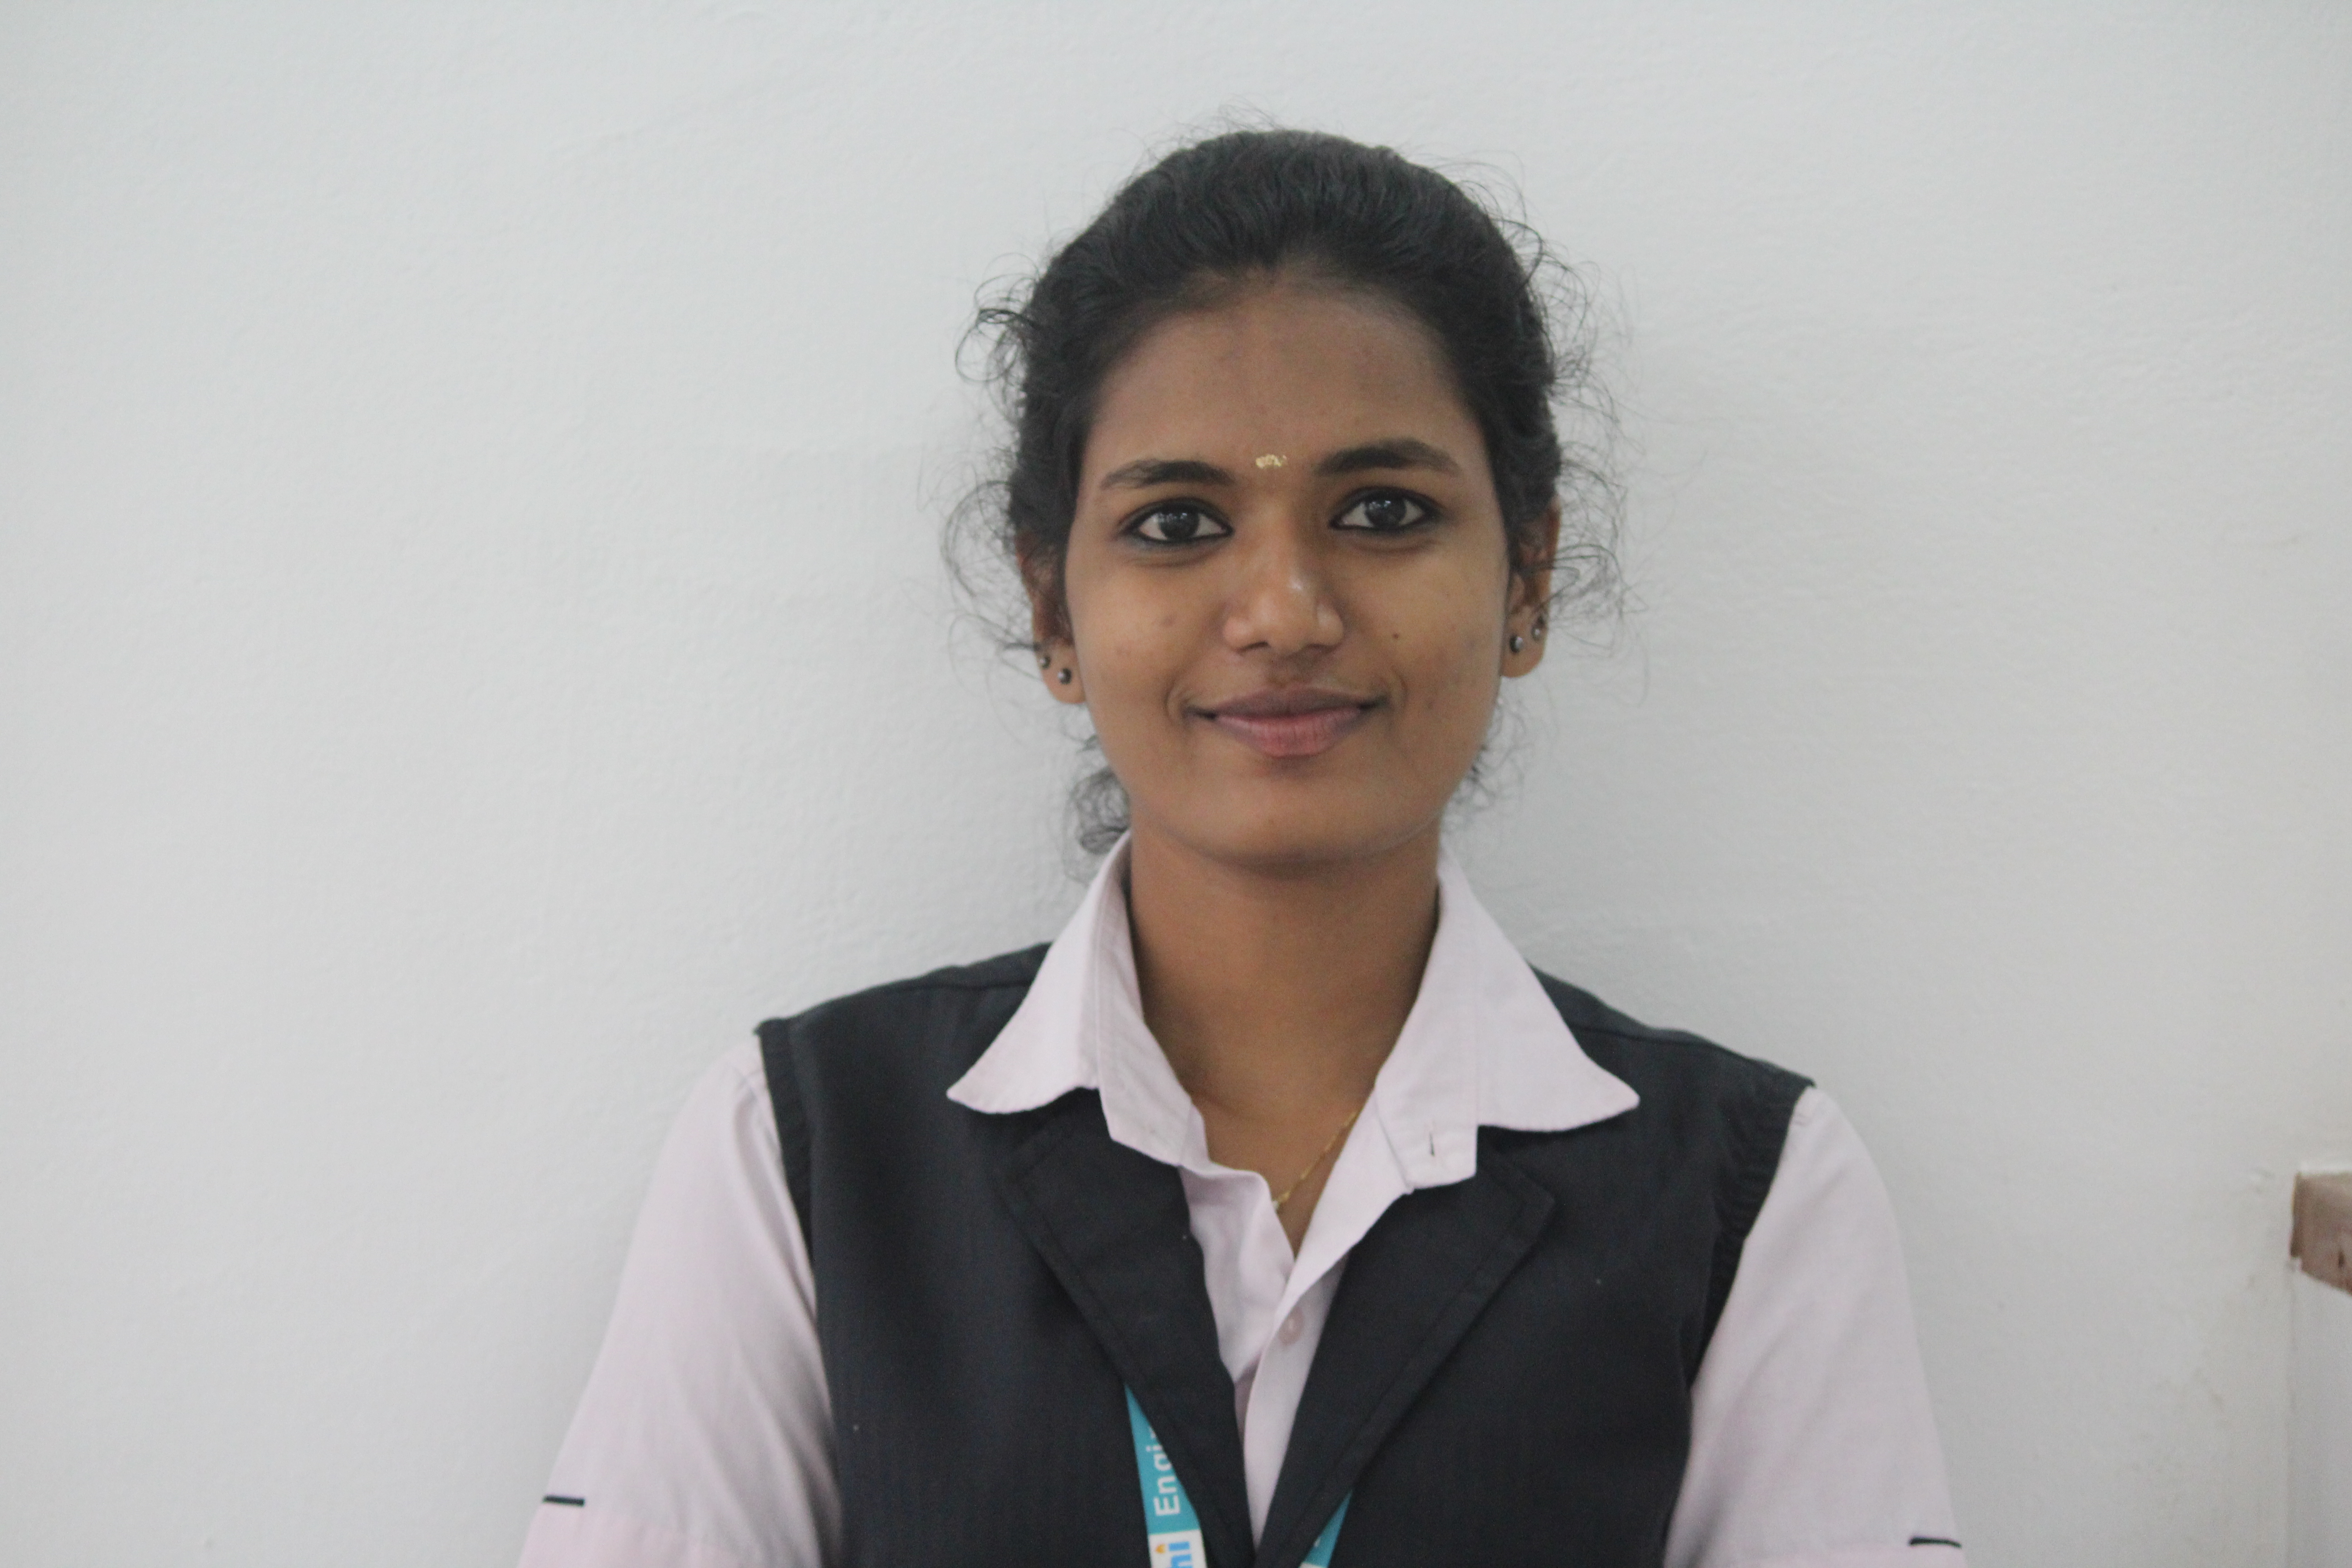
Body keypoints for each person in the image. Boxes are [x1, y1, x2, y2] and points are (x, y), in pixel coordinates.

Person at [517, 128, 1965, 1568]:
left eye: (1383, 513)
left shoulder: (1743, 1194)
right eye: (1178, 522)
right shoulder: (811, 1150)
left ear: (1525, 578)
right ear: (1054, 608)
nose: (1282, 611)